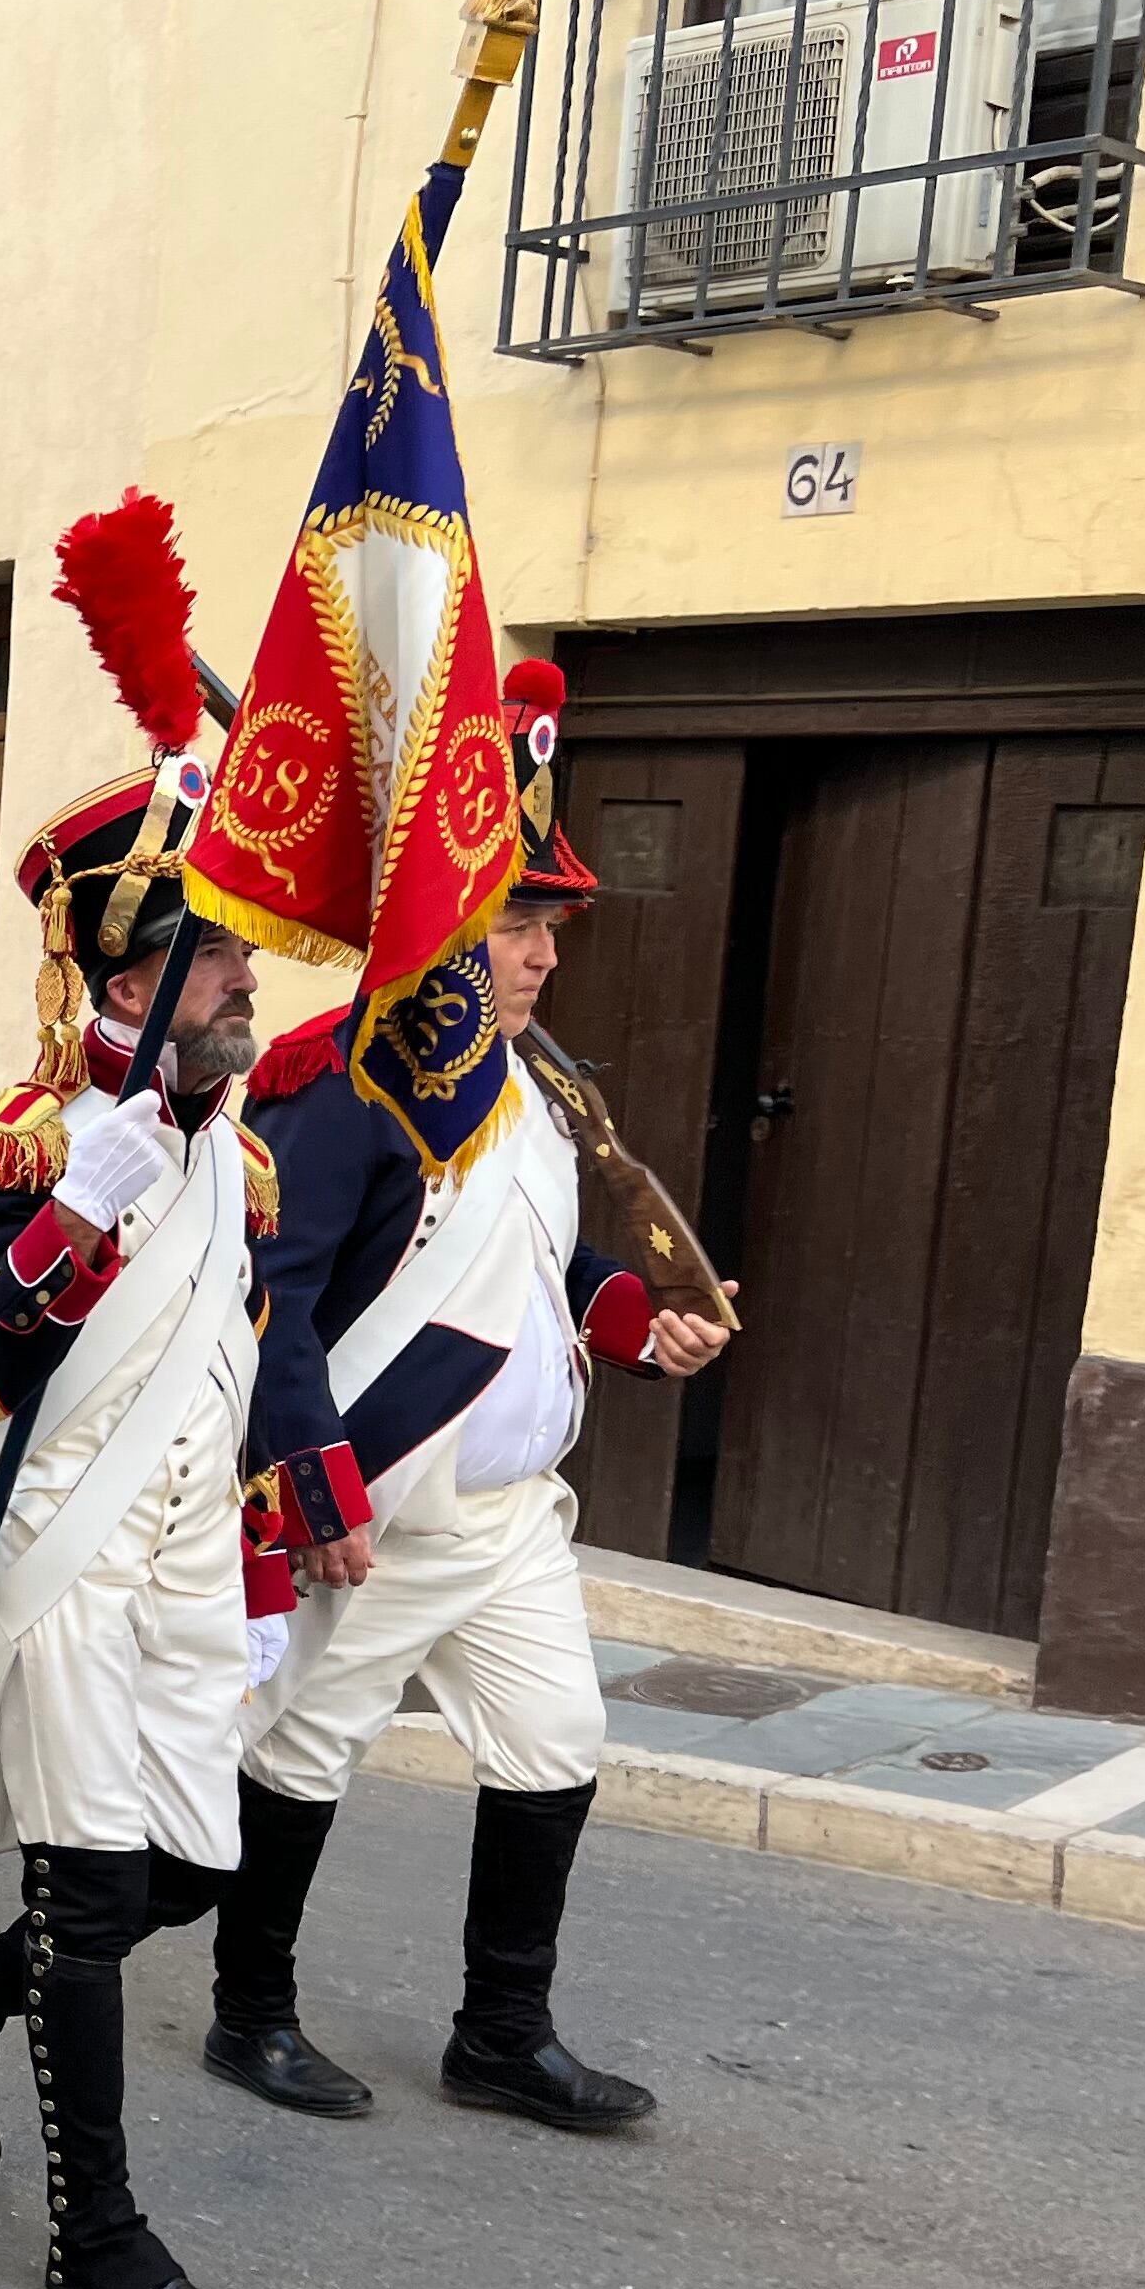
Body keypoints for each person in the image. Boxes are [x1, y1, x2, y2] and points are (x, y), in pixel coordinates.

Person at [215, 658, 731, 2134]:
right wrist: (311, 1489)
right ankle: (252, 2012)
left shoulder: (543, 1095)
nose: (543, 956)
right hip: (381, 1504)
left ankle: (502, 2032)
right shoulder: (344, 1081)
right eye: (516, 923)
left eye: (548, 927)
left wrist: (638, 1324)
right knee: (305, 1753)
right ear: (442, 928)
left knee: (559, 1743)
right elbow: (277, 1297)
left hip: (510, 1520)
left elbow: (544, 1267)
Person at [0, 599, 283, 2289]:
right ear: (127, 983)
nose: (246, 998)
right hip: (56, 1563)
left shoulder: (236, 1162)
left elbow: (217, 1369)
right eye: (218, 973)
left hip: (188, 1569)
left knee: (193, 1864)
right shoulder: (35, 1143)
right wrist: (75, 1210)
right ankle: (93, 2231)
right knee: (91, 1901)